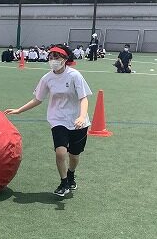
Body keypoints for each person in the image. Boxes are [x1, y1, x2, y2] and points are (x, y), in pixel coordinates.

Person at [5, 44, 92, 197]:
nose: (53, 60)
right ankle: (64, 182)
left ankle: (71, 174)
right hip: (58, 119)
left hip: (78, 121)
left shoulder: (74, 76)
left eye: (56, 57)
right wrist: (19, 110)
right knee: (60, 152)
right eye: (51, 57)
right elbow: (37, 99)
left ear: (65, 59)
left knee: (74, 155)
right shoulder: (47, 78)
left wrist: (81, 116)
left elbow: (83, 99)